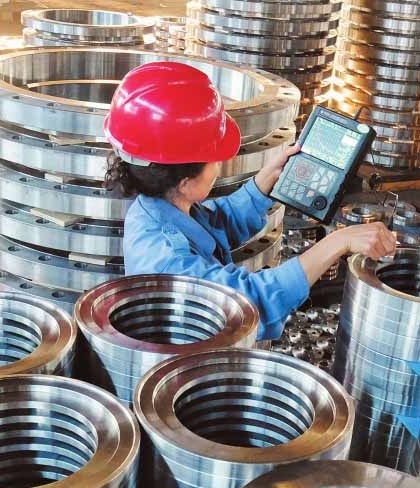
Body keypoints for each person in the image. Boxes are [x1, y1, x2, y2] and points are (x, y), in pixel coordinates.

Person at [104, 61, 395, 341]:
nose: (219, 166)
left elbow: (212, 226)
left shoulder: (156, 208)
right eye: (215, 159)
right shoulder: (167, 260)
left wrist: (261, 186)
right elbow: (248, 303)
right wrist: (336, 242)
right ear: (185, 182)